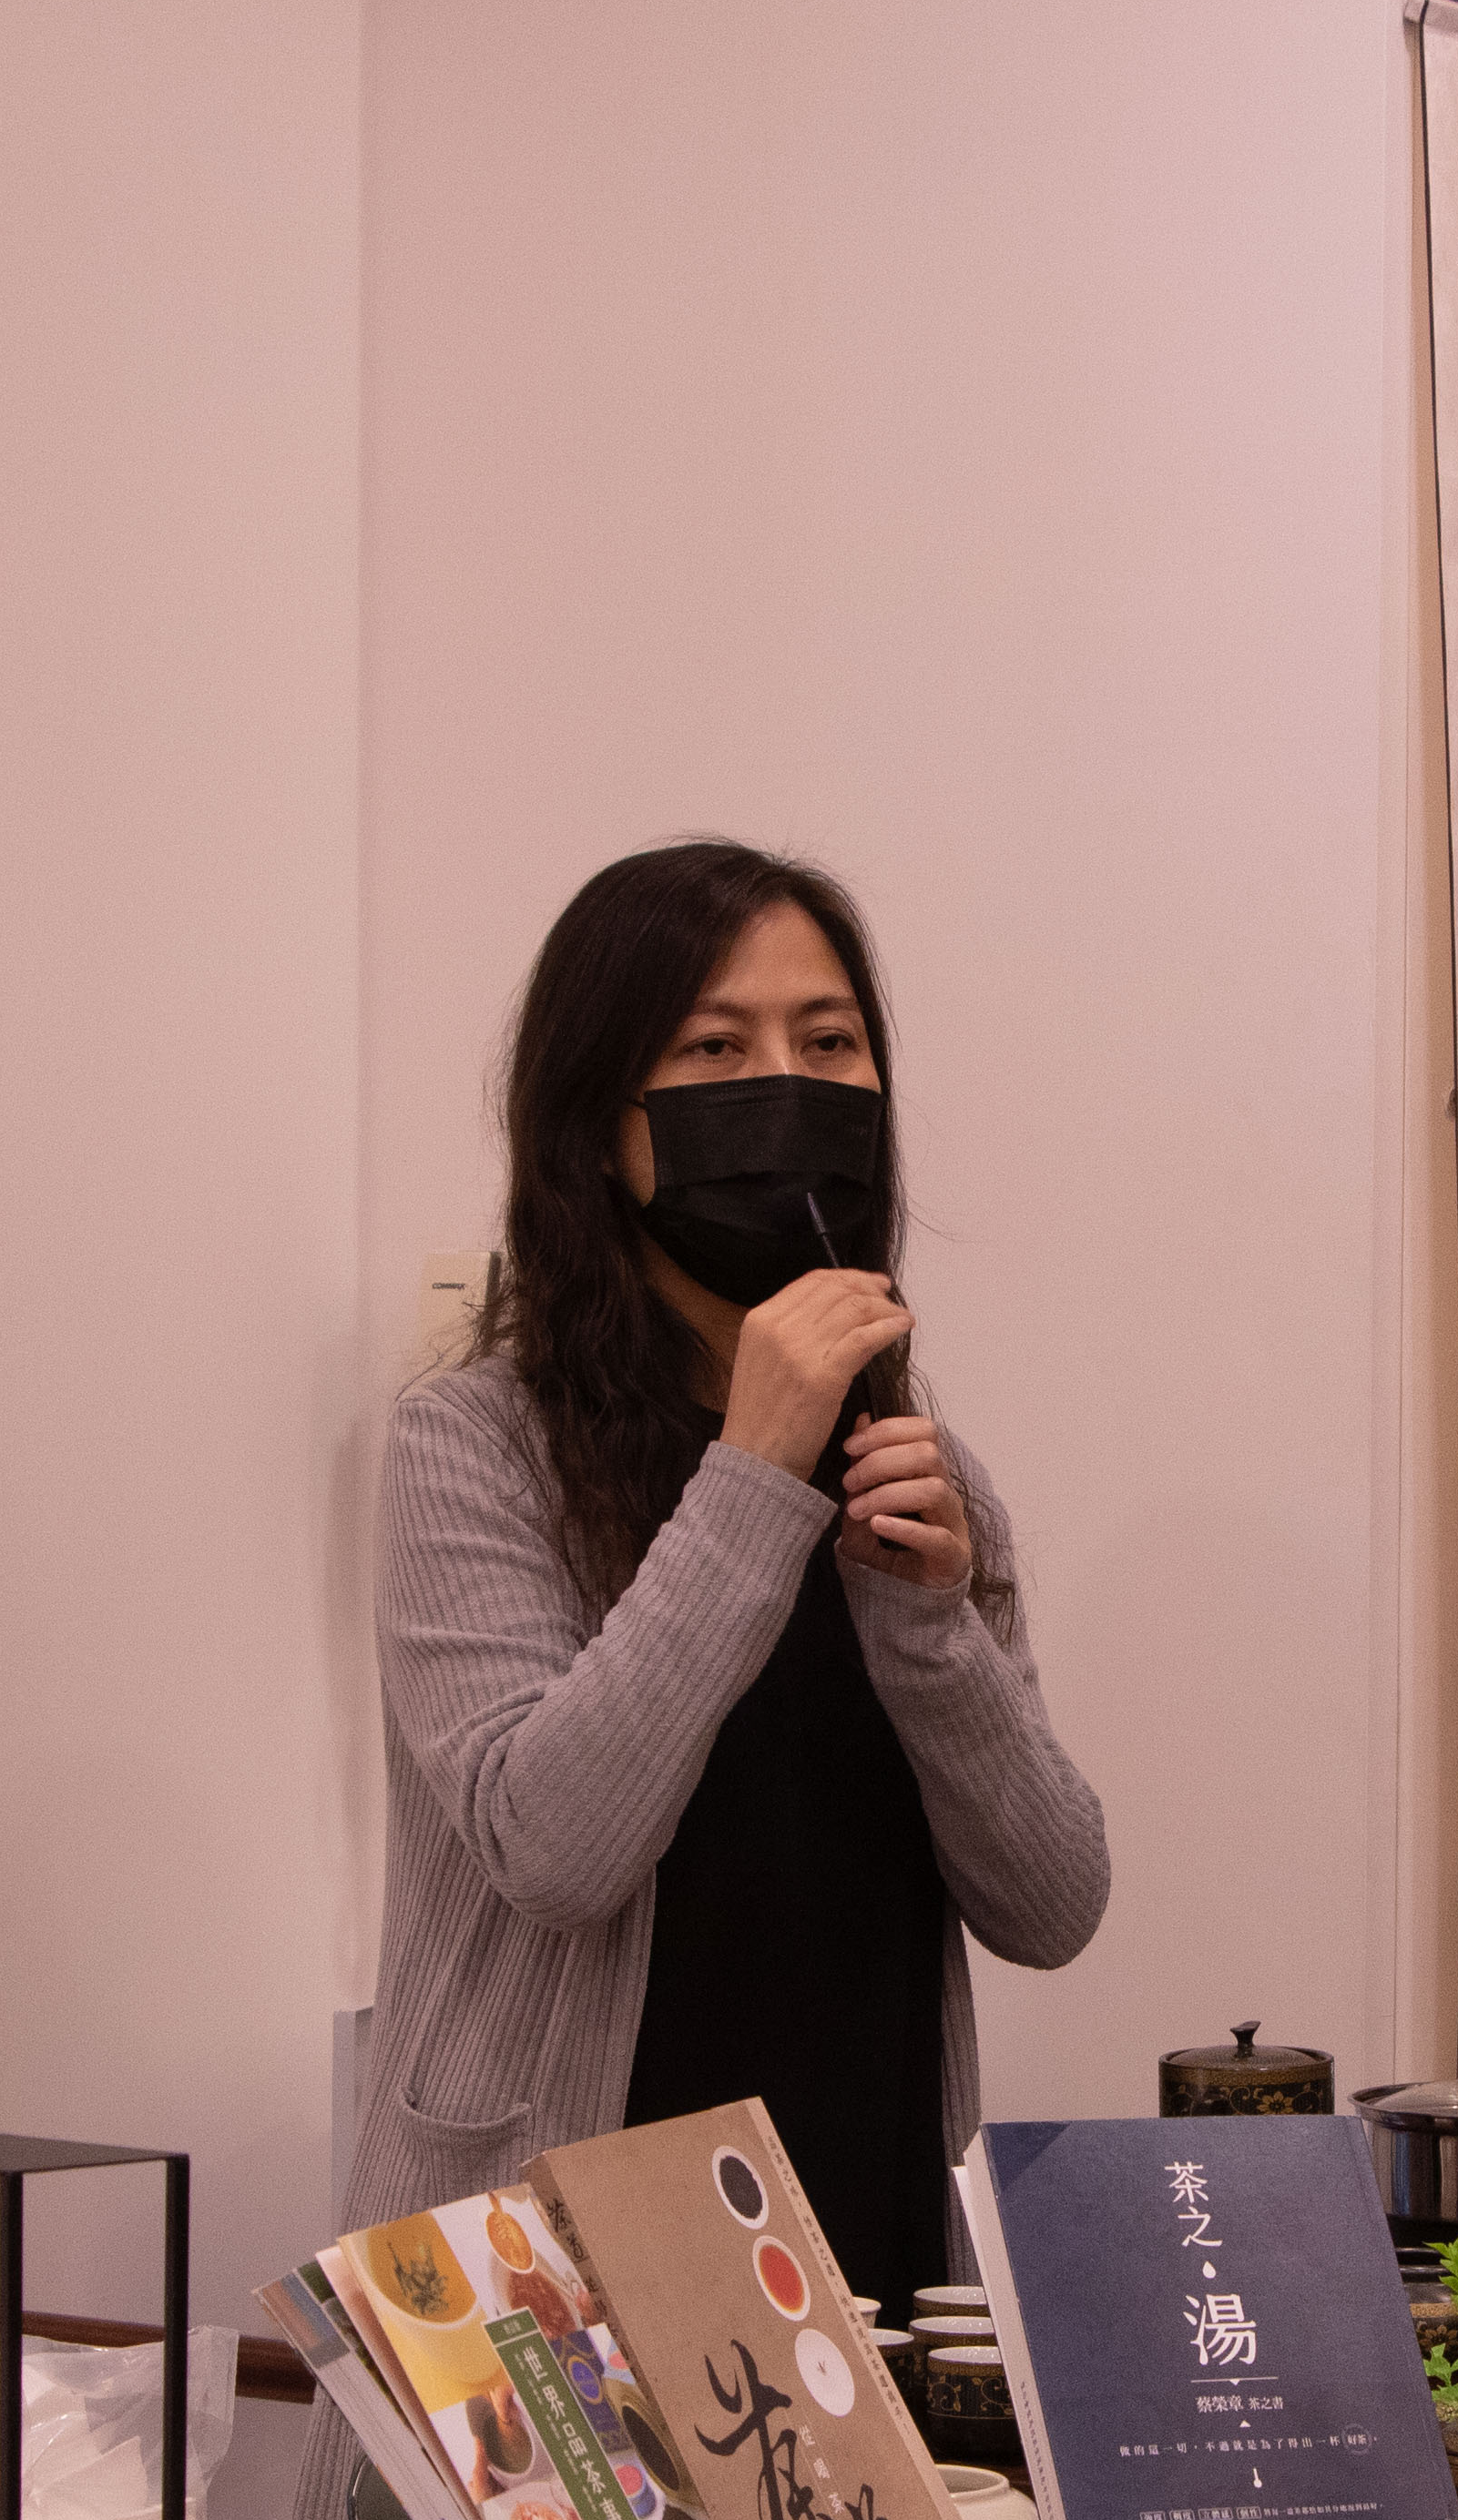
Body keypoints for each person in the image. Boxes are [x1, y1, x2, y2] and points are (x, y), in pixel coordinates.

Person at [346, 837, 1107, 2314]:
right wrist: (754, 1473)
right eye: (716, 1048)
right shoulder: (472, 1446)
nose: (786, 1087)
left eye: (828, 1043)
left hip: (863, 2244)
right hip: (563, 2282)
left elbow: (1052, 1904)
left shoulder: (917, 1468)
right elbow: (553, 1851)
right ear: (598, 1123)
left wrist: (931, 1621)